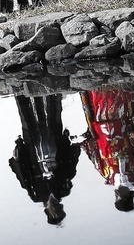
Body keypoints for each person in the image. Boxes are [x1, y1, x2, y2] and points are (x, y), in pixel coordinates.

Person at [8, 94, 80, 225]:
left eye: (54, 211)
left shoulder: (36, 195)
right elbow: (70, 168)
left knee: (27, 118)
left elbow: (23, 178)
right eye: (59, 209)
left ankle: (20, 90)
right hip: (55, 148)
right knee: (53, 116)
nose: (56, 208)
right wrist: (73, 148)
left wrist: (16, 159)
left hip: (34, 153)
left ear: (47, 212)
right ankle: (52, 91)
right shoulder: (64, 190)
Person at [80, 88, 134, 212]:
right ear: (121, 198)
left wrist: (86, 142)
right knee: (112, 100)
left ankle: (103, 83)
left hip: (104, 131)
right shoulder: (131, 172)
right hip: (119, 128)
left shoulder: (110, 176)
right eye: (117, 199)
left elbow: (95, 156)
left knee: (100, 99)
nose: (116, 196)